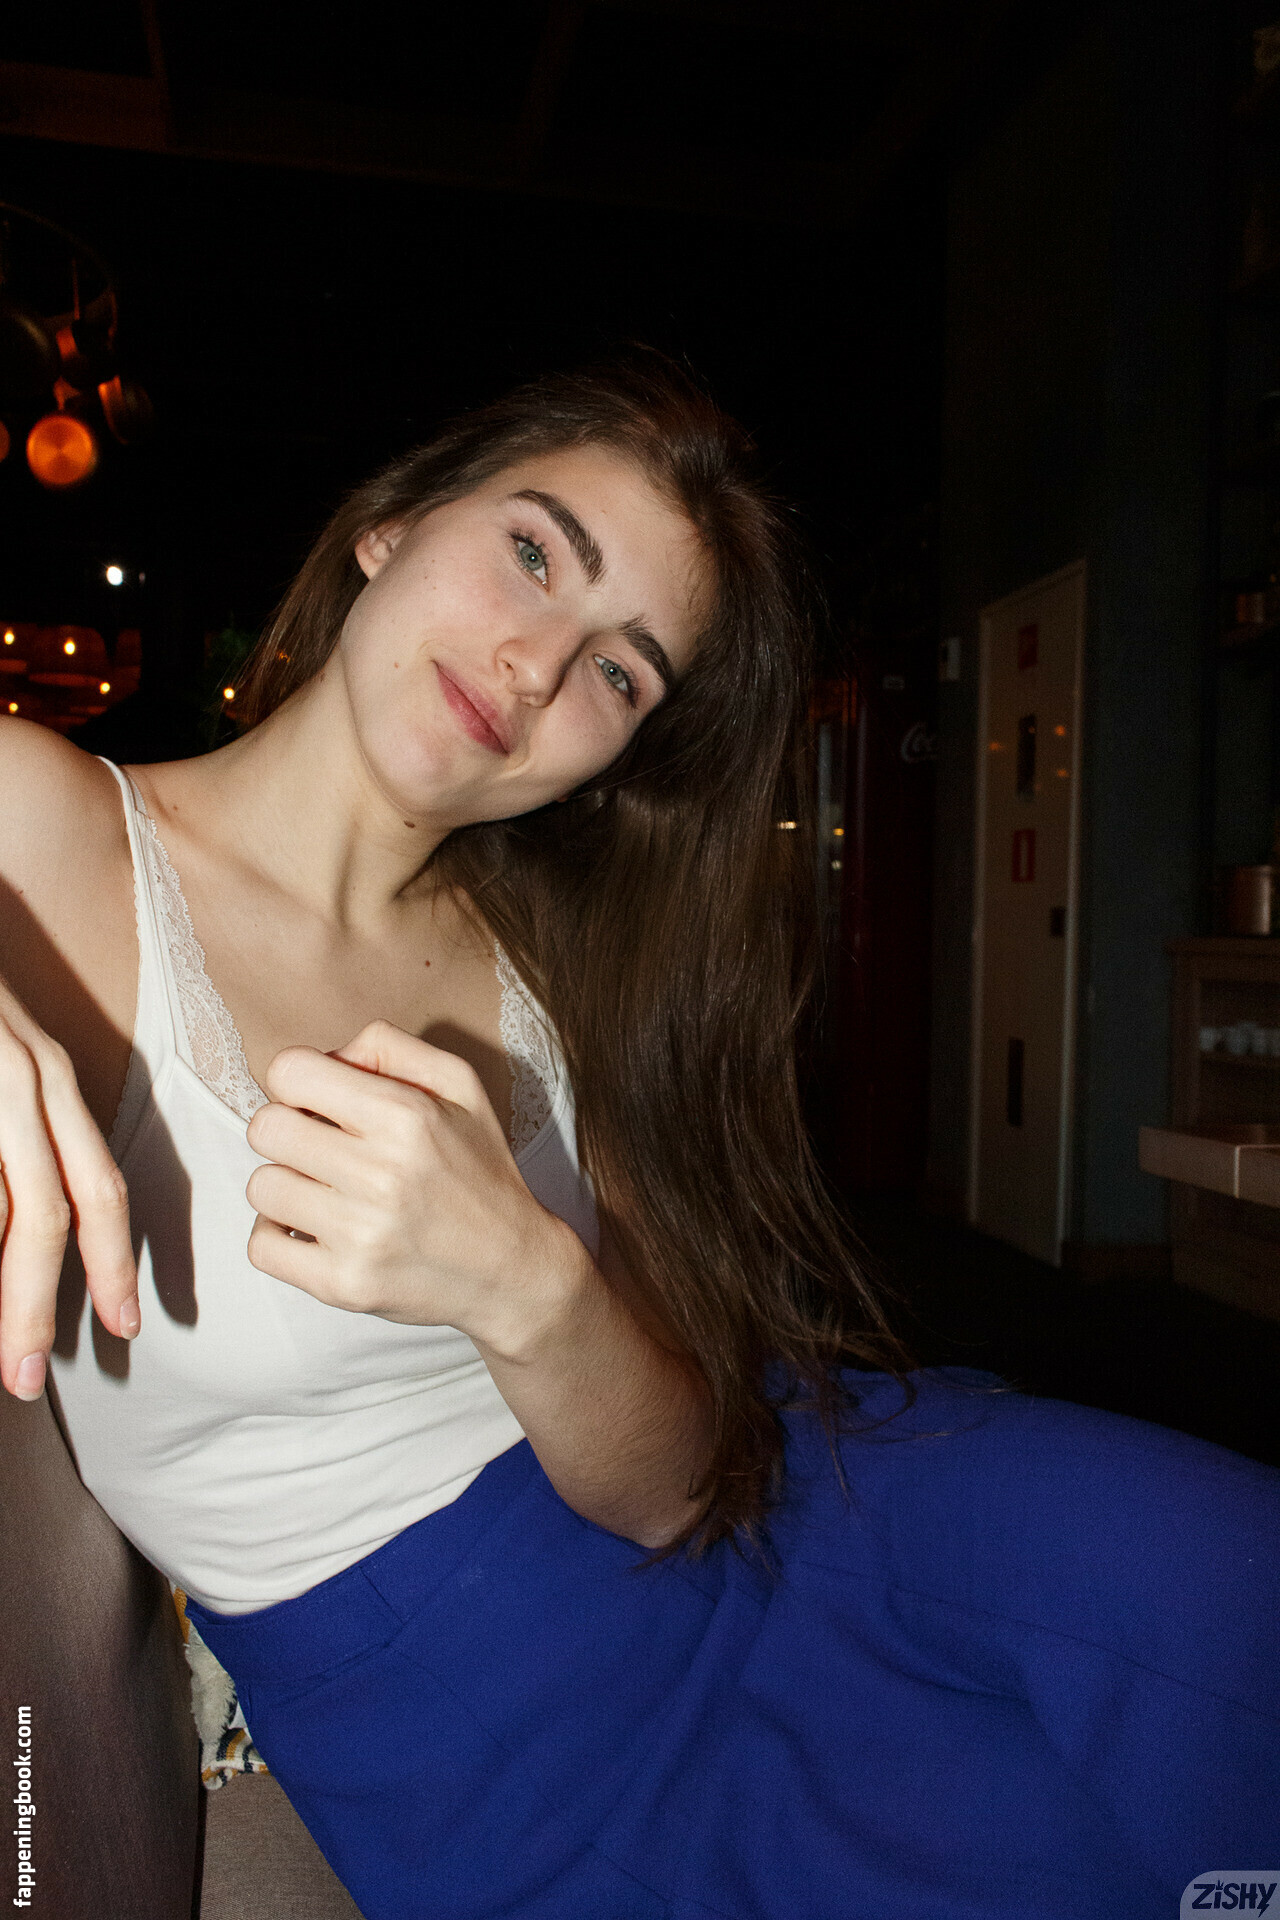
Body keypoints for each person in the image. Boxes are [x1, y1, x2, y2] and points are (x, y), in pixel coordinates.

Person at [0, 351, 1276, 1920]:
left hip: (803, 1510)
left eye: (622, 673)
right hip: (511, 1738)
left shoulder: (562, 967)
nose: (539, 665)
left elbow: (674, 1486)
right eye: (536, 553)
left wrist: (528, 1288)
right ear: (392, 525)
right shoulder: (61, 834)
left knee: (1230, 1591)